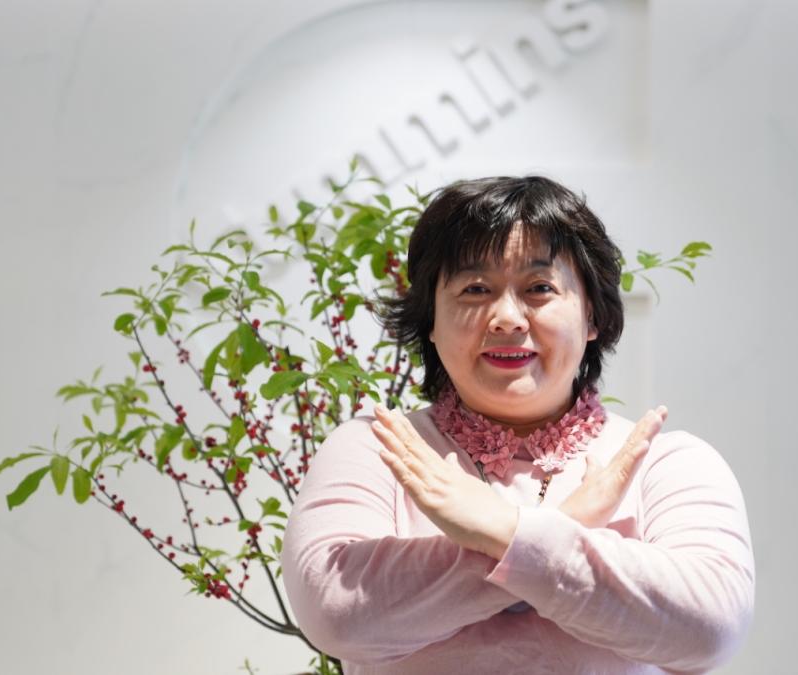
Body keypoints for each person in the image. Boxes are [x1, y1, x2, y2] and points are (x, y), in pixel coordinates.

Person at [280, 176, 755, 674]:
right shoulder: (377, 450)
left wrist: (500, 528)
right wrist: (567, 527)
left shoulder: (666, 463)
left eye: (539, 288)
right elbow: (336, 615)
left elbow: (710, 628)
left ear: (592, 315)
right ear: (431, 322)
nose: (507, 318)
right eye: (475, 289)